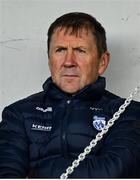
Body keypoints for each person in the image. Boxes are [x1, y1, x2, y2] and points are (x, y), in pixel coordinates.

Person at [0, 12, 140, 178]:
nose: (68, 62)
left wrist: (38, 174)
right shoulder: (18, 113)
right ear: (49, 59)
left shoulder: (128, 113)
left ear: (102, 62)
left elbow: (115, 172)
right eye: (60, 50)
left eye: (80, 50)